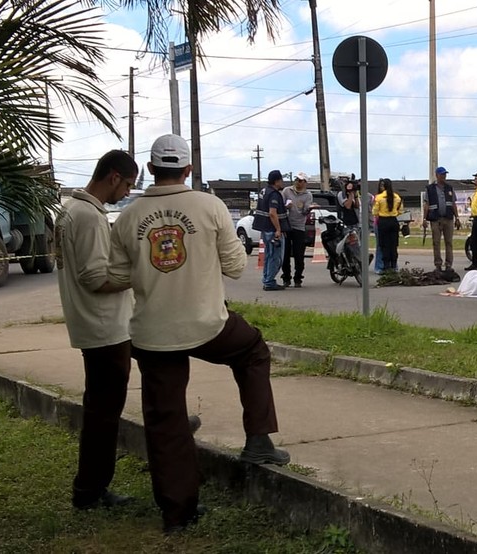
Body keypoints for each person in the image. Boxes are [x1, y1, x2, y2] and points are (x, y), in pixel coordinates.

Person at [109, 134, 290, 534]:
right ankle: (258, 440)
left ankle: (178, 514)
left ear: (152, 169)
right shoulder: (210, 206)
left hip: (152, 333)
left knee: (165, 417)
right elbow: (236, 267)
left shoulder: (127, 217)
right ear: (188, 169)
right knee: (253, 351)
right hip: (209, 324)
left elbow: (118, 276)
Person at [54, 150, 137, 510]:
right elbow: (95, 278)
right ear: (114, 177)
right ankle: (90, 491)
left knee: (99, 410)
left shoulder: (70, 210)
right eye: (128, 185)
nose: (127, 193)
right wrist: (138, 275)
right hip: (105, 330)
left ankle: (90, 488)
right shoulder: (87, 216)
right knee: (103, 414)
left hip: (94, 326)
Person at [253, 169, 288, 291]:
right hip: (272, 229)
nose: (282, 182)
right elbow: (272, 213)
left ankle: (267, 279)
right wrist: (278, 229)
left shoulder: (264, 191)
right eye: (281, 179)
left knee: (269, 255)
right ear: (277, 181)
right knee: (275, 257)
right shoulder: (274, 194)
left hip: (265, 228)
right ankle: (269, 281)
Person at [422, 166, 460, 272]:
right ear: (437, 175)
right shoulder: (430, 189)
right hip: (435, 219)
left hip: (448, 218)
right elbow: (426, 204)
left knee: (449, 242)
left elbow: (453, 204)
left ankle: (448, 265)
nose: (444, 176)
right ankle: (438, 265)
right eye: (442, 174)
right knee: (436, 242)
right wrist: (424, 219)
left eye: (445, 174)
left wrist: (457, 217)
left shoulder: (449, 188)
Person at [281, 172, 312, 288]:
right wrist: (285, 206)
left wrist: (308, 209)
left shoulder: (307, 195)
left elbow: (305, 211)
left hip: (299, 226)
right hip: (287, 225)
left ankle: (298, 277)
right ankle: (286, 277)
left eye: (301, 181)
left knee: (299, 254)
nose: (298, 182)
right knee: (285, 253)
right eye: (297, 180)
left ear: (305, 183)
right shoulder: (287, 191)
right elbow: (280, 205)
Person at [374, 178, 403, 271]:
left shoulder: (379, 197)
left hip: (383, 221)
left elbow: (375, 211)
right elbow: (400, 211)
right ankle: (394, 265)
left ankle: (386, 266)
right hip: (393, 221)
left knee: (384, 245)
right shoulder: (397, 197)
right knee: (393, 245)